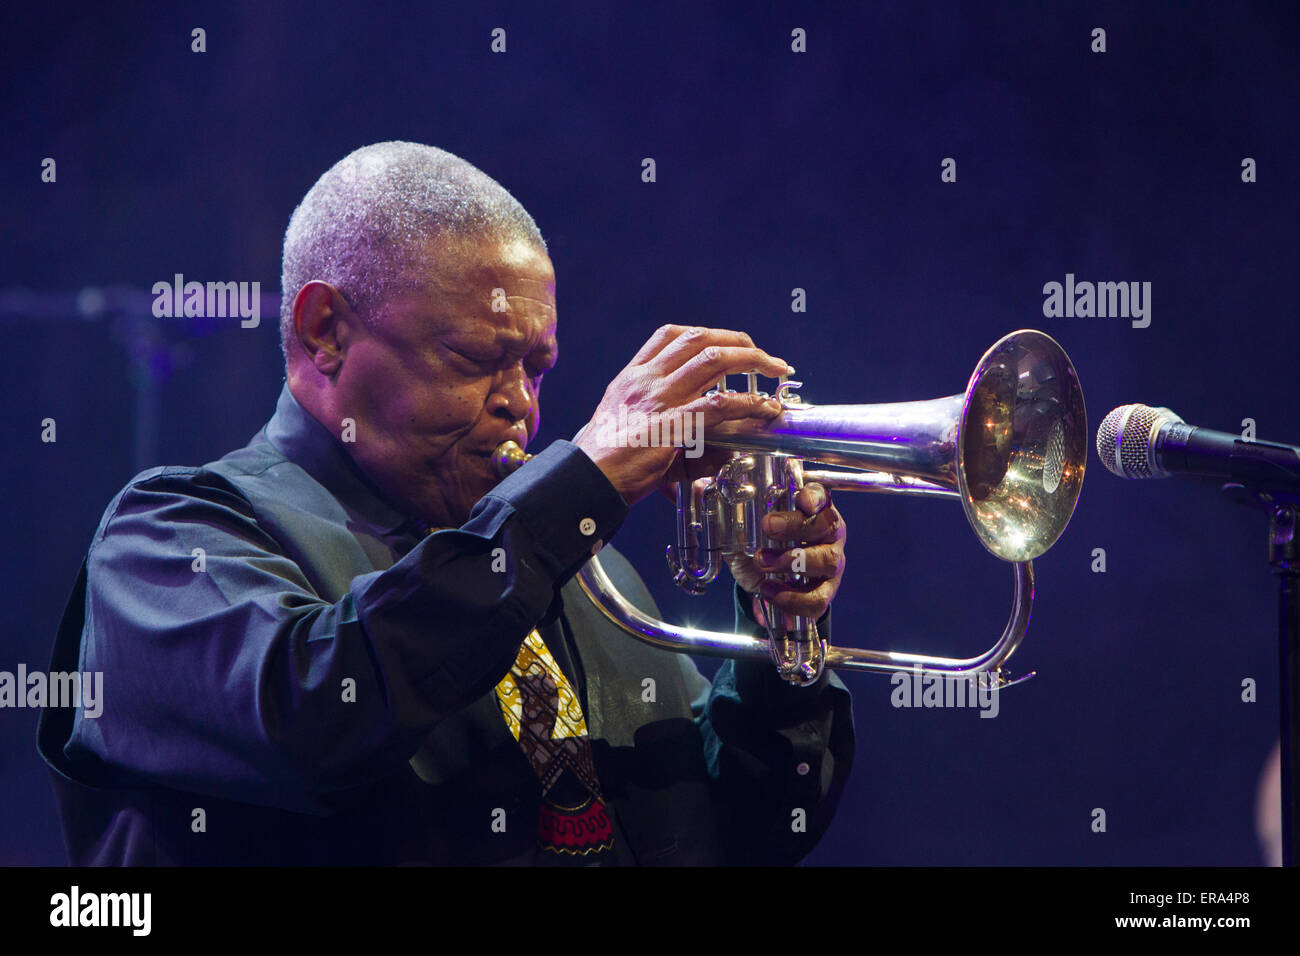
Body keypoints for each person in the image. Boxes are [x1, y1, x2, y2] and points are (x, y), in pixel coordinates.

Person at [38, 142, 855, 865]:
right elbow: (316, 717)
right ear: (325, 329)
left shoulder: (581, 570)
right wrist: (581, 484)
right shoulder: (172, 535)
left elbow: (753, 831)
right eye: (475, 358)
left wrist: (780, 632)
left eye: (536, 368)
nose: (523, 407)